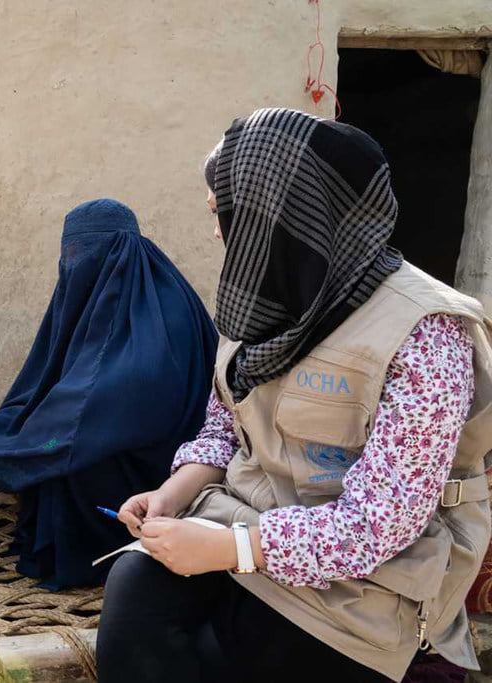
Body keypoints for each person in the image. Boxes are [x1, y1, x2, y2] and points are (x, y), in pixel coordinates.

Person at [96, 108, 492, 682]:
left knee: (247, 652)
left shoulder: (424, 332)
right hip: (236, 525)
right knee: (135, 592)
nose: (217, 231)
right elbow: (226, 428)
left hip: (360, 582)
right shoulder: (258, 297)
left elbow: (377, 524)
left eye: (223, 212)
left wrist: (231, 550)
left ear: (279, 213)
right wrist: (172, 492)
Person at [0, 198, 219, 589]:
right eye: (69, 254)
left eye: (86, 253)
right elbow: (48, 390)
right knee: (37, 451)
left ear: (121, 249)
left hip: (163, 473)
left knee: (65, 463)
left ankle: (92, 564)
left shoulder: (163, 315)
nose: (75, 265)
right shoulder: (102, 301)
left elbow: (92, 415)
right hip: (101, 438)